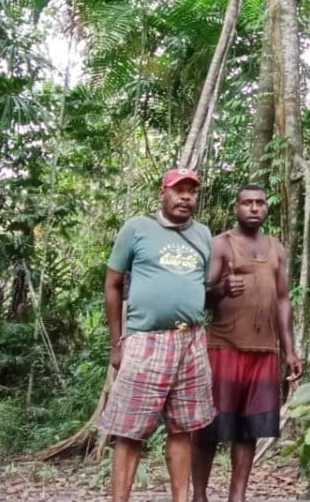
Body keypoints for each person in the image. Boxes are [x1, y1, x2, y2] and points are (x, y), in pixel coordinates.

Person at [99, 167, 215, 502]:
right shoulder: (137, 228)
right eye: (179, 190)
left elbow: (201, 285)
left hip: (191, 340)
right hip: (146, 339)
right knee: (130, 430)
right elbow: (112, 284)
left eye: (192, 191)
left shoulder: (203, 234)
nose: (186, 197)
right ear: (162, 193)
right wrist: (117, 343)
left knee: (183, 428)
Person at [192, 184, 304, 502]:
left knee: (250, 428)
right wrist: (222, 289)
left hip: (265, 350)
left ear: (267, 208)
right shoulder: (221, 245)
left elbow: (283, 301)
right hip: (224, 348)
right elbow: (201, 296)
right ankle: (199, 494)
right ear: (236, 208)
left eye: (260, 203)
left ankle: (237, 496)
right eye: (247, 203)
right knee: (209, 427)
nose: (254, 208)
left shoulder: (276, 248)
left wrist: (290, 350)